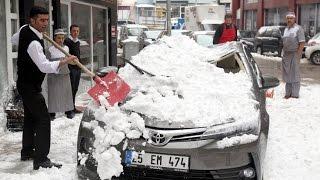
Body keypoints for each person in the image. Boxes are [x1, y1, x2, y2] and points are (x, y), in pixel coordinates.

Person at [12, 6, 77, 170]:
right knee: (43, 119)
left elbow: (14, 39)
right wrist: (65, 61)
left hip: (25, 83)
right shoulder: (34, 42)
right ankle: (41, 159)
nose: (45, 24)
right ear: (32, 20)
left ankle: (27, 152)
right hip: (30, 87)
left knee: (30, 118)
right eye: (41, 20)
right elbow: (44, 66)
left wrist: (37, 35)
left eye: (47, 20)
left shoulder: (24, 30)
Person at [47, 29, 74, 120]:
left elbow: (68, 60)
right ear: (54, 38)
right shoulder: (49, 49)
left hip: (65, 72)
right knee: (53, 93)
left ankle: (68, 111)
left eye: (62, 38)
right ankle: (52, 113)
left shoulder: (66, 48)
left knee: (66, 92)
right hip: (54, 74)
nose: (61, 40)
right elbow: (47, 63)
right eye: (59, 38)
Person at [282, 11, 305, 99]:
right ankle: (288, 93)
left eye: (291, 18)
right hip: (286, 54)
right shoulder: (285, 29)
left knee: (294, 73)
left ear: (294, 19)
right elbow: (284, 43)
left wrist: (298, 55)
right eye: (288, 18)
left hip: (295, 53)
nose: (289, 20)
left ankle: (295, 94)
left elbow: (302, 43)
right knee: (287, 73)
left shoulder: (298, 29)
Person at [64, 25, 82, 113]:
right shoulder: (67, 41)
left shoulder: (77, 42)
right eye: (74, 31)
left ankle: (72, 107)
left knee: (75, 88)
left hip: (78, 68)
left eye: (77, 31)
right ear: (70, 31)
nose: (76, 33)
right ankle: (68, 109)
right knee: (70, 88)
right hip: (71, 68)